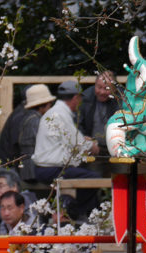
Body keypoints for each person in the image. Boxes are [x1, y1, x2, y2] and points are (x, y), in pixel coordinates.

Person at [32, 80, 100, 221]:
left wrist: (84, 142)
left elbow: (70, 140)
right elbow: (77, 143)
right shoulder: (60, 114)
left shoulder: (56, 113)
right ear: (76, 98)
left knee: (87, 177)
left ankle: (76, 212)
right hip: (50, 168)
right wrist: (92, 146)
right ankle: (73, 212)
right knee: (94, 179)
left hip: (46, 167)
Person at [16, 84, 56, 182]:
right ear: (43, 105)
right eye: (49, 104)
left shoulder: (27, 117)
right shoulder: (35, 121)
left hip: (28, 169)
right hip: (32, 170)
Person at [79, 71, 120, 156]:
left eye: (106, 88)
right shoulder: (85, 98)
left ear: (114, 89)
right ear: (95, 85)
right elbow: (78, 124)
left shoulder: (122, 101)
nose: (101, 92)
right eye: (99, 87)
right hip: (91, 148)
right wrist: (83, 138)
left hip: (117, 148)